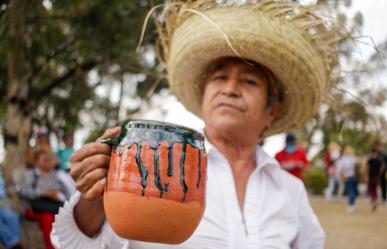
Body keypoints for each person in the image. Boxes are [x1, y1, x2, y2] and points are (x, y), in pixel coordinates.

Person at [51, 1, 342, 248]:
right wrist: (95, 196)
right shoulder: (150, 167)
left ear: (272, 110)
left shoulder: (289, 190)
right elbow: (75, 242)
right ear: (204, 96)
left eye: (249, 81)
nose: (229, 88)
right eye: (219, 77)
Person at [20, 149, 72, 249]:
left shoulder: (55, 175)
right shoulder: (29, 174)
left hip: (53, 204)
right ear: (36, 161)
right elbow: (24, 192)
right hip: (34, 206)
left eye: (49, 159)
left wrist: (56, 194)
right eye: (45, 159)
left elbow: (64, 191)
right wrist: (44, 193)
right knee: (49, 216)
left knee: (58, 213)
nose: (48, 161)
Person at [0, 172, 23, 249]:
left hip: (1, 201)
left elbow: (2, 190)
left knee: (12, 217)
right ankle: (15, 245)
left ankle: (14, 244)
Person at [336, 146, 358, 212]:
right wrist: (343, 176)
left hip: (351, 177)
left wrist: (343, 176)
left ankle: (352, 205)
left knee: (352, 191)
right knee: (352, 191)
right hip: (350, 177)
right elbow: (340, 170)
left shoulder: (351, 159)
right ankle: (352, 205)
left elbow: (339, 170)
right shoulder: (349, 159)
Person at [366, 146, 384, 212]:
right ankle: (375, 199)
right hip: (377, 177)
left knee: (370, 190)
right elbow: (382, 168)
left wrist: (366, 176)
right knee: (374, 189)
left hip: (371, 177)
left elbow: (367, 168)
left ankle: (374, 199)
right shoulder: (379, 160)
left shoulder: (370, 160)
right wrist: (378, 173)